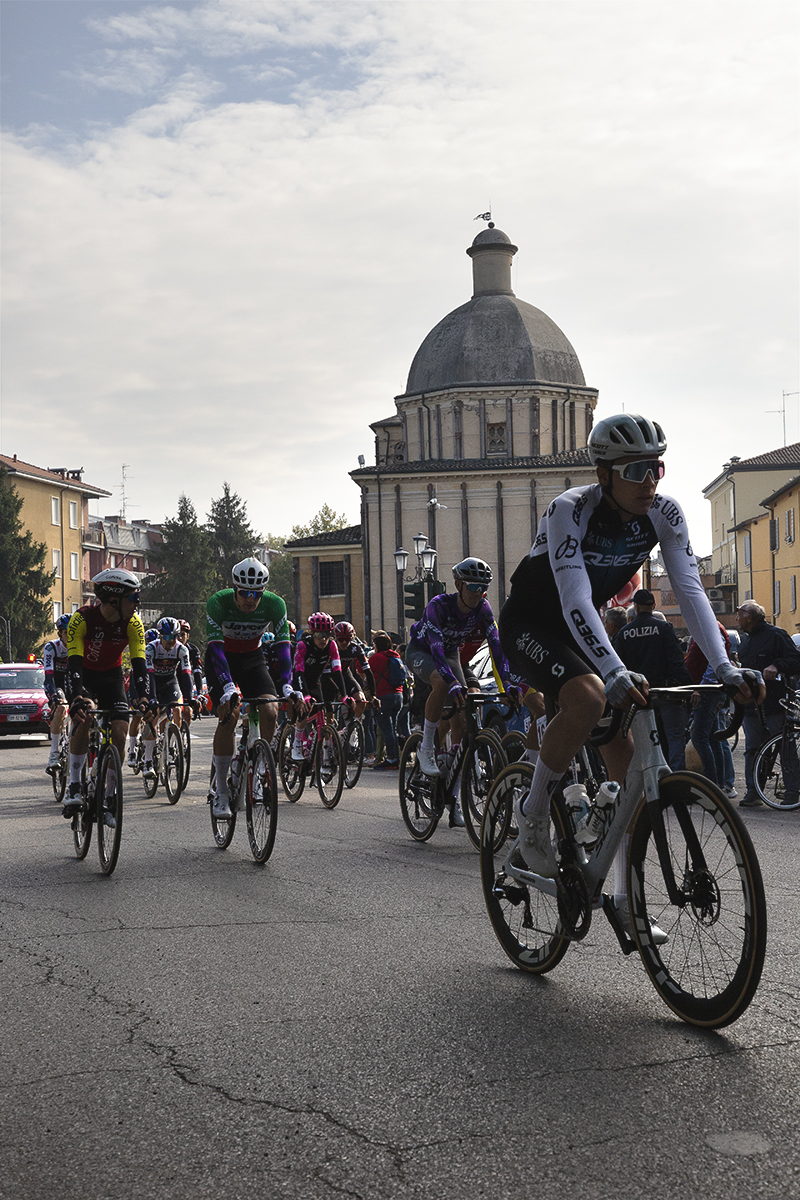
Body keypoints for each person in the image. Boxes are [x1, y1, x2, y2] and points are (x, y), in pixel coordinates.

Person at [497, 413, 761, 941]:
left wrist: (724, 664)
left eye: (657, 467)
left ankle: (621, 895)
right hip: (532, 624)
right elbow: (573, 595)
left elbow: (689, 589)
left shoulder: (664, 512)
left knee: (631, 776)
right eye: (636, 469)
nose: (650, 481)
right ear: (604, 474)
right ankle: (532, 815)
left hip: (581, 630)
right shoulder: (570, 509)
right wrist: (612, 668)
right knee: (590, 696)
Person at [205, 558, 301, 818]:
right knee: (230, 714)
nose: (250, 599)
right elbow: (215, 648)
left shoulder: (275, 604)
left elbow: (283, 649)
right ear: (234, 589)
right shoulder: (218, 602)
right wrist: (227, 687)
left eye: (256, 594)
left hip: (252, 659)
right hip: (222, 658)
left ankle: (258, 766)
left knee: (271, 710)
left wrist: (288, 685)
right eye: (244, 593)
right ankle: (222, 790)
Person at [405, 557, 516, 780]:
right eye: (473, 586)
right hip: (422, 651)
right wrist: (453, 683)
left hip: (450, 653)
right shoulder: (438, 605)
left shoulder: (483, 608)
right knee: (442, 682)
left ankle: (455, 784)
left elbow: (496, 648)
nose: (479, 593)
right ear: (459, 585)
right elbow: (436, 650)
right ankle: (426, 747)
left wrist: (508, 684)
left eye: (484, 588)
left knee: (465, 713)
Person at [63, 568, 150, 821]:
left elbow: (139, 665)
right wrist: (77, 698)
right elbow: (74, 664)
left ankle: (109, 795)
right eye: (133, 598)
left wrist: (144, 696)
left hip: (111, 678)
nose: (138, 604)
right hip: (85, 676)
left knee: (121, 731)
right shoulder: (82, 619)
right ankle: (75, 783)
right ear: (114, 599)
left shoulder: (133, 623)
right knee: (85, 715)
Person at [612, 587, 692, 770]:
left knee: (647, 741)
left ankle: (652, 780)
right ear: (654, 606)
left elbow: (619, 667)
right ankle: (676, 781)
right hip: (667, 693)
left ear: (636, 607)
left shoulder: (624, 633)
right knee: (674, 739)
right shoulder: (664, 628)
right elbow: (676, 661)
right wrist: (688, 688)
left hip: (640, 696)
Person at [735, 600, 800, 808]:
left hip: (774, 702)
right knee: (752, 748)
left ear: (749, 617)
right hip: (751, 703)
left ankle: (792, 792)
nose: (736, 619)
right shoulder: (744, 641)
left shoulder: (776, 635)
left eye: (739, 614)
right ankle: (753, 791)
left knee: (784, 747)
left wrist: (777, 665)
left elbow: (796, 661)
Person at [140, 616, 197, 780]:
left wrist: (190, 698)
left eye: (174, 636)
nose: (171, 640)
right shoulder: (151, 648)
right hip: (153, 682)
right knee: (154, 714)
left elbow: (186, 676)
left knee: (178, 709)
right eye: (167, 636)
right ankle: (148, 761)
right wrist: (151, 700)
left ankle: (172, 745)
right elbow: (149, 676)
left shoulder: (182, 650)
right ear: (160, 636)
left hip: (170, 682)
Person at [290, 613, 350, 761]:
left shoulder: (332, 645)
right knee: (305, 710)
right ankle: (296, 744)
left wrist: (344, 695)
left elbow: (337, 672)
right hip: (299, 681)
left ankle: (319, 751)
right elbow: (298, 672)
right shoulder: (303, 645)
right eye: (319, 634)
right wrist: (304, 695)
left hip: (315, 682)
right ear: (312, 633)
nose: (323, 638)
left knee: (321, 712)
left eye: (327, 634)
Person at [367, 631, 404, 770]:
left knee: (387, 730)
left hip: (383, 696)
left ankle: (391, 759)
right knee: (392, 729)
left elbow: (364, 671)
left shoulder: (376, 658)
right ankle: (395, 757)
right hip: (398, 696)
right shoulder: (395, 656)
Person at [43, 614, 71, 774]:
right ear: (60, 633)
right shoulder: (51, 647)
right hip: (56, 683)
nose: (70, 636)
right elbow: (48, 677)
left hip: (73, 683)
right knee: (60, 708)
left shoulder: (80, 646)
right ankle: (54, 753)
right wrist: (54, 696)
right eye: (66, 633)